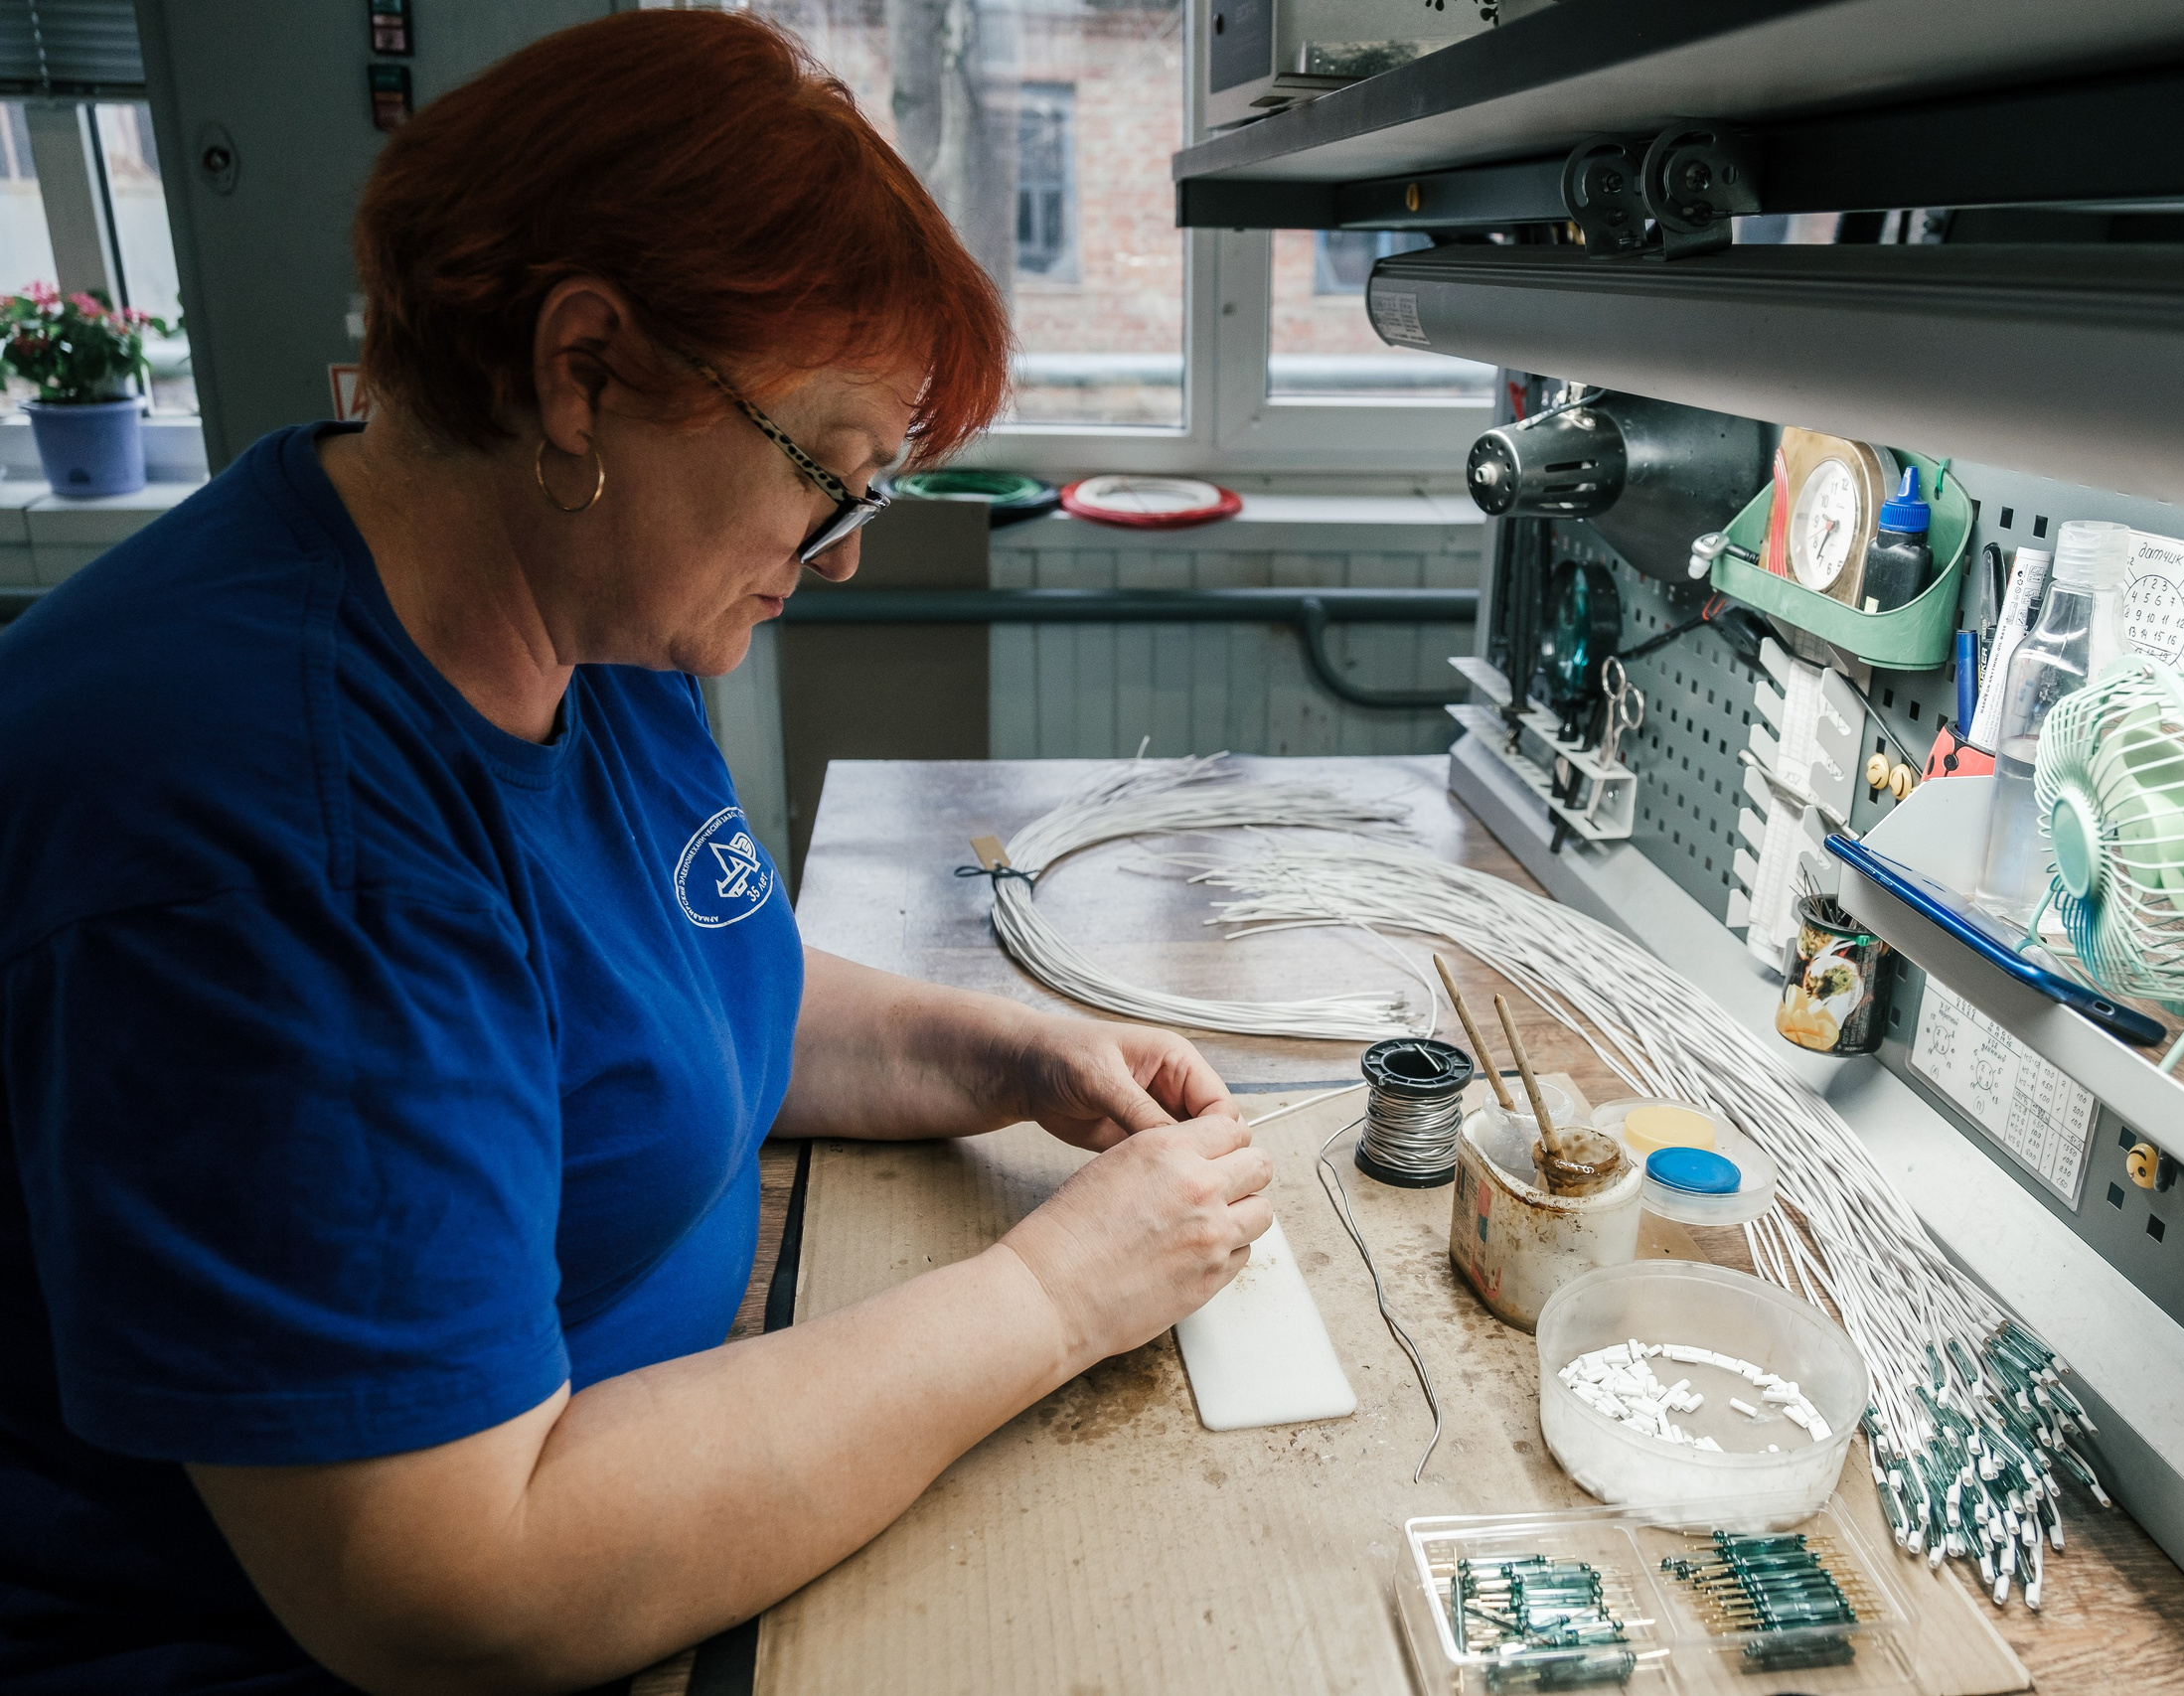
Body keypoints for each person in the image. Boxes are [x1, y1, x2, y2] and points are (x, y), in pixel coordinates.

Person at [0, 13, 1272, 1693]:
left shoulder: (578, 612)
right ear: (584, 371)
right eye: (829, 476)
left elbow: (669, 977)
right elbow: (461, 1587)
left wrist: (1013, 1051)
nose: (830, 560)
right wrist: (1053, 1299)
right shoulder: (274, 832)